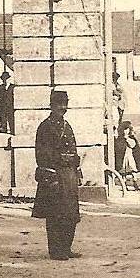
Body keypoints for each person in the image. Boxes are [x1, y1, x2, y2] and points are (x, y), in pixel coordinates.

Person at [32, 90, 81, 261]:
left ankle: (66, 248)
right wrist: (60, 160)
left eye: (65, 104)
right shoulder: (45, 127)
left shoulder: (67, 126)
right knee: (55, 215)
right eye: (59, 105)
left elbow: (74, 149)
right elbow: (41, 154)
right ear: (52, 106)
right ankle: (56, 250)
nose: (63, 108)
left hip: (69, 176)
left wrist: (76, 164)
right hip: (54, 176)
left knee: (70, 214)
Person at [114, 121, 140, 190]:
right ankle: (124, 185)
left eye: (126, 129)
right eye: (123, 130)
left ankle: (135, 183)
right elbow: (118, 148)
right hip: (123, 159)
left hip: (130, 158)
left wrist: (127, 139)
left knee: (133, 171)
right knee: (123, 172)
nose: (125, 131)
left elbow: (133, 145)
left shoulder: (131, 138)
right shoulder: (119, 139)